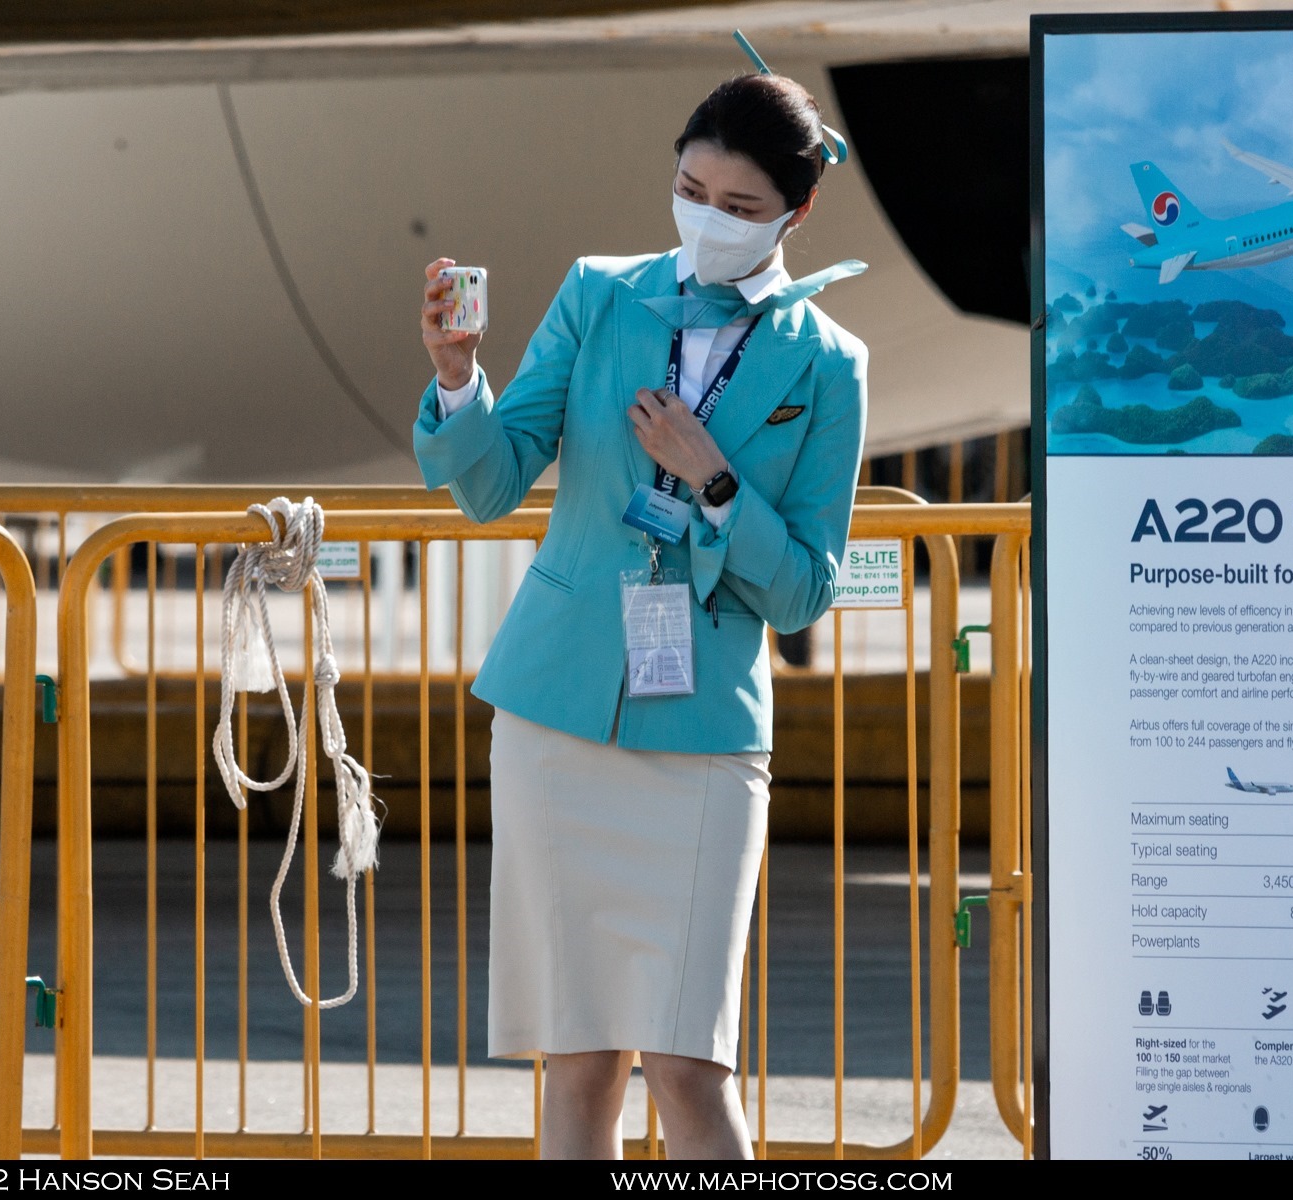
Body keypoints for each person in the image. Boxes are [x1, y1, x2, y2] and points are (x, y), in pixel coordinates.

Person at [413, 68, 867, 1159]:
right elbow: (490, 481)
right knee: (576, 1072)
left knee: (688, 1070)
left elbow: (805, 586)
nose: (709, 217)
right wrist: (458, 376)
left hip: (704, 736)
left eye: (742, 207)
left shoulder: (831, 364)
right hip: (555, 713)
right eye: (691, 187)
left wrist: (714, 483)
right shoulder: (597, 293)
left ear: (796, 215)